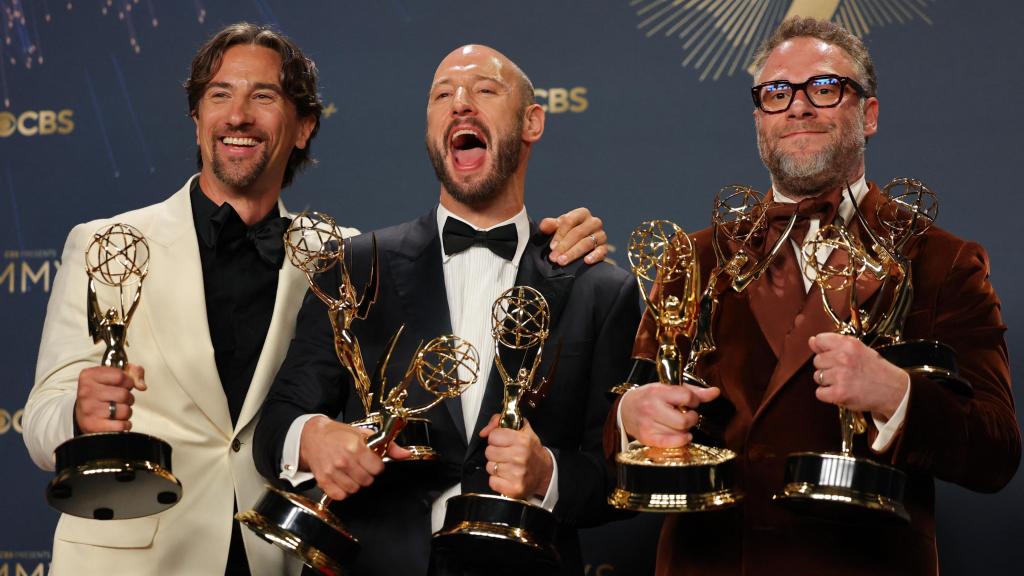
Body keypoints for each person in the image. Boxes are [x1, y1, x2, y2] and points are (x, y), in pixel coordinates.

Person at [23, 23, 606, 576]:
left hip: (277, 553)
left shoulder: (342, 256)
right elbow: (41, 419)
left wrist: (562, 243)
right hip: (136, 555)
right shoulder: (107, 245)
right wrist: (76, 415)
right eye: (219, 94)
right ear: (197, 119)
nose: (238, 115)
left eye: (263, 96)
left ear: (303, 127)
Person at [612, 16, 1020, 576]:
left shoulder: (942, 261)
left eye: (824, 88)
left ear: (868, 114)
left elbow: (996, 452)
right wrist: (630, 417)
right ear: (759, 118)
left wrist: (899, 396)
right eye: (776, 93)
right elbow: (620, 424)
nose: (798, 107)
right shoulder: (695, 256)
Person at [253, 44, 639, 576]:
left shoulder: (600, 289)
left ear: (532, 121)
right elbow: (275, 426)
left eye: (485, 89)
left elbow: (622, 477)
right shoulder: (354, 266)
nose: (460, 103)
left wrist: (547, 475)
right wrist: (313, 438)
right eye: (442, 95)